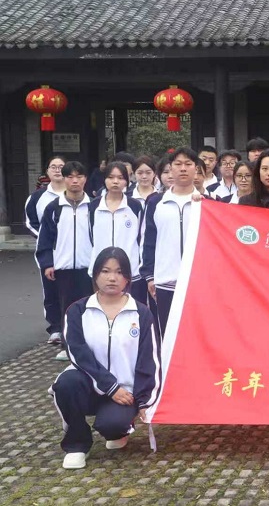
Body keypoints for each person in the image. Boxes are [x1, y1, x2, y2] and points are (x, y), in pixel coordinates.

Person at [50, 247, 161, 470]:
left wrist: (144, 400)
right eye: (105, 271)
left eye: (119, 272)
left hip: (124, 392)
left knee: (113, 426)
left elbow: (150, 360)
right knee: (66, 384)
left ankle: (118, 429)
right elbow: (78, 353)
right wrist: (110, 386)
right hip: (88, 385)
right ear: (95, 275)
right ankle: (77, 444)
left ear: (128, 278)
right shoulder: (77, 311)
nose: (112, 278)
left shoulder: (141, 313)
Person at [36, 161, 95, 361]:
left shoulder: (94, 206)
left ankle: (89, 346)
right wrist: (47, 263)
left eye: (79, 176)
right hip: (63, 267)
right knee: (67, 308)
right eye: (70, 176)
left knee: (90, 308)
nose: (75, 181)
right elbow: (45, 239)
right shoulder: (54, 208)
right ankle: (67, 346)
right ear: (65, 179)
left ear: (85, 179)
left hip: (89, 267)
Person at [141, 148, 201, 333]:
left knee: (197, 333)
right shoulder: (155, 203)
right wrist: (150, 276)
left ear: (196, 169)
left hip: (198, 282)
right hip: (165, 280)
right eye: (178, 164)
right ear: (170, 168)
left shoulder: (206, 203)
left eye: (188, 164)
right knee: (167, 334)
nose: (183, 168)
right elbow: (148, 240)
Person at [88, 162, 146, 305]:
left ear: (127, 180)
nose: (115, 182)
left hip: (130, 269)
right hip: (101, 269)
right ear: (104, 179)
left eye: (120, 178)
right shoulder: (94, 206)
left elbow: (141, 237)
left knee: (131, 308)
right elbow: (91, 236)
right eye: (111, 177)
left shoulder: (134, 206)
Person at [25, 156, 66, 344]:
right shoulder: (37, 197)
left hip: (72, 251)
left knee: (72, 289)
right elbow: (30, 222)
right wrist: (47, 239)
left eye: (61, 167)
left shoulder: (77, 193)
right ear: (47, 171)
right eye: (53, 167)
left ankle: (72, 326)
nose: (57, 170)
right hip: (48, 252)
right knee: (51, 291)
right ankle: (55, 328)